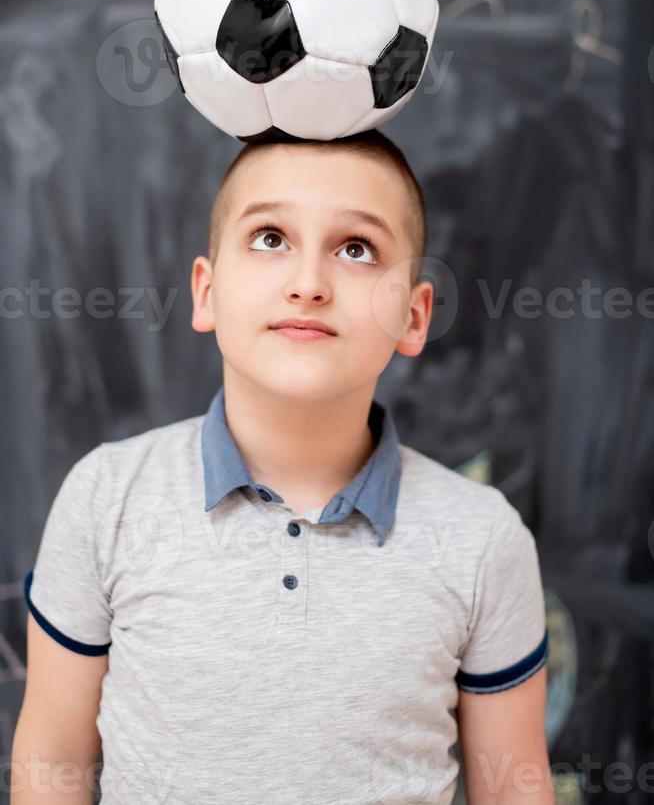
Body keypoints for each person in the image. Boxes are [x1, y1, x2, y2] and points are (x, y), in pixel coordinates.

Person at [12, 129, 553, 804]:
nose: (308, 284)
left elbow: (513, 791)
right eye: (271, 238)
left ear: (414, 318)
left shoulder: (481, 539)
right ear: (206, 292)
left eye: (356, 249)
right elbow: (52, 764)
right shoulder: (107, 497)